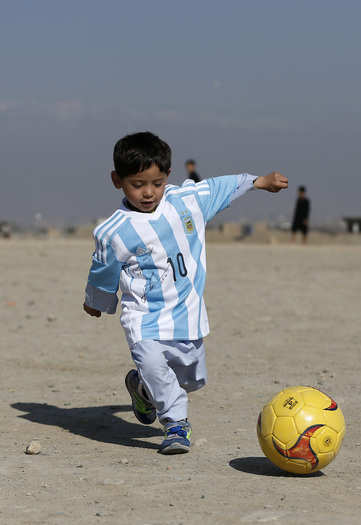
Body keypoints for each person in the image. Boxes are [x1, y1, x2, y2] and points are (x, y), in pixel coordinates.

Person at [82, 132, 288, 454]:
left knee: (190, 381)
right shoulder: (114, 232)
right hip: (143, 318)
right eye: (138, 184)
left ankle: (141, 389)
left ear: (167, 178)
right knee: (152, 364)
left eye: (157, 182)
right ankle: (176, 424)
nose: (149, 193)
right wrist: (97, 302)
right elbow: (103, 271)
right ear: (117, 181)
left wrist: (259, 181)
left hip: (186, 314)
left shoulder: (185, 203)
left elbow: (219, 187)